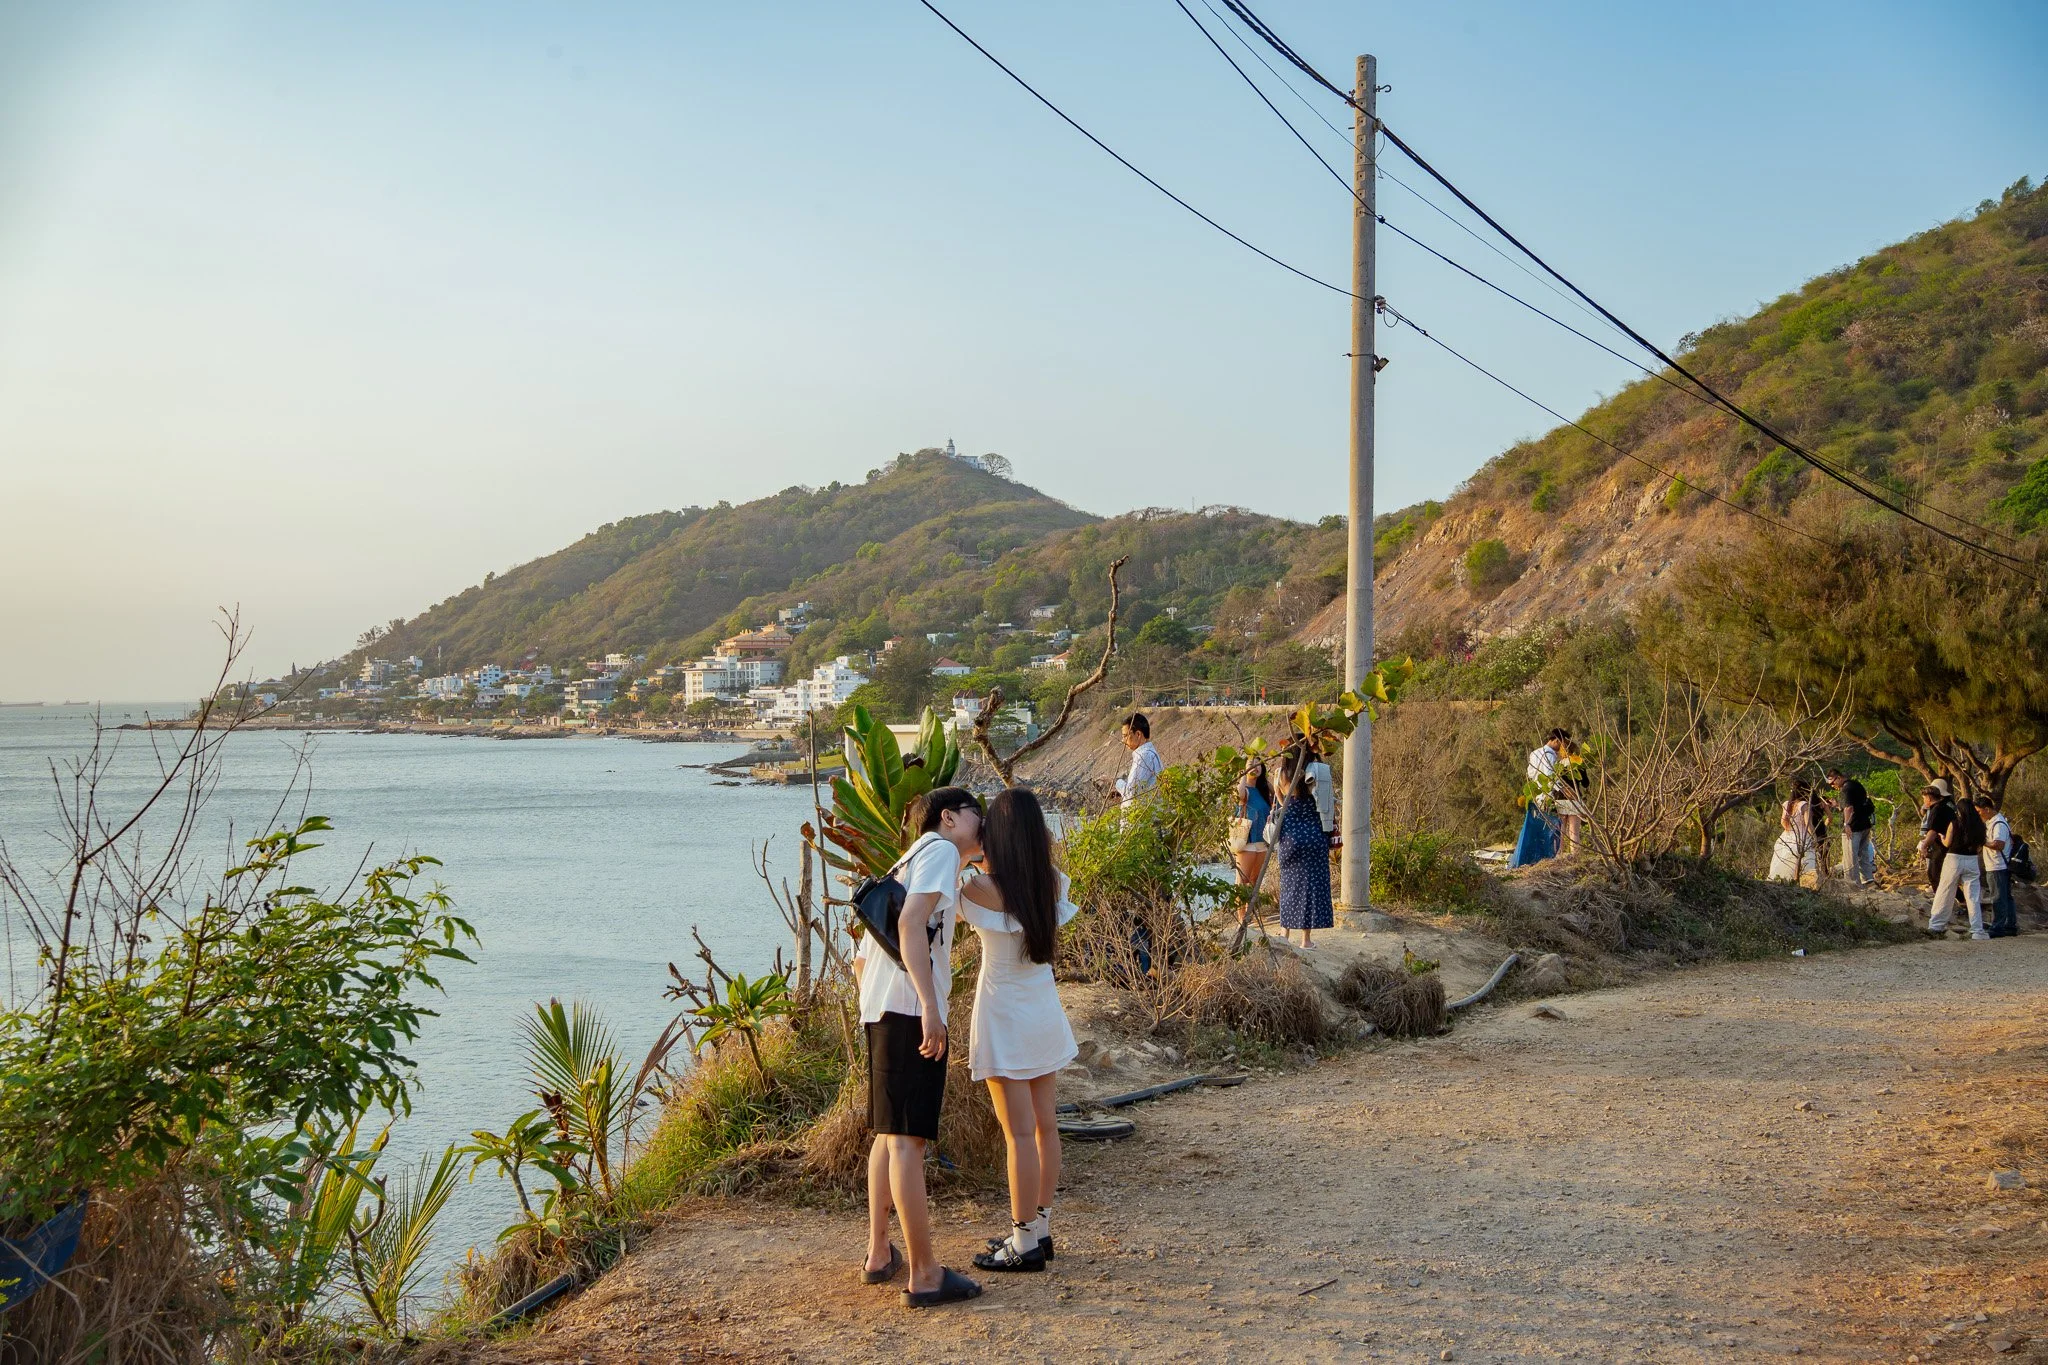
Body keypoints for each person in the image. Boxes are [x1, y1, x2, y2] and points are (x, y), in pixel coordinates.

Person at [853, 786, 986, 1307]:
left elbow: (864, 954)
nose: (984, 821)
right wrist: (930, 1006)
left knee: (889, 1136)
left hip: (882, 1006)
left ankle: (879, 1252)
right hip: (909, 1010)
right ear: (949, 818)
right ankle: (926, 1274)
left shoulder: (909, 858)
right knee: (908, 1141)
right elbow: (909, 924)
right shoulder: (941, 851)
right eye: (978, 813)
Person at [957, 788, 1079, 1273]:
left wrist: (972, 848)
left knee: (1018, 1135)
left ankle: (1023, 1241)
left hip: (1003, 1012)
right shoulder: (1050, 881)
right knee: (1045, 1127)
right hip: (1043, 1008)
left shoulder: (978, 890)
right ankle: (1040, 1228)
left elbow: (939, 895)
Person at [1274, 742, 1334, 948]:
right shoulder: (1316, 772)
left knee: (1289, 884)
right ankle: (1306, 940)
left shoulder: (1281, 774)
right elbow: (1324, 802)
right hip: (1314, 834)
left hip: (1290, 834)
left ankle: (1284, 933)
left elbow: (1282, 803)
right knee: (1309, 887)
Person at [1927, 788, 1987, 940]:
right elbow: (1981, 845)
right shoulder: (1980, 826)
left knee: (1945, 890)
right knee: (1973, 896)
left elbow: (1947, 843)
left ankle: (1936, 925)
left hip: (1954, 858)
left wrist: (1941, 837)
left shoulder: (1955, 823)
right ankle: (1977, 930)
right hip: (1972, 859)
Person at [1509, 729, 1567, 869]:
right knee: (1550, 829)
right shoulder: (1550, 755)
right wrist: (1563, 790)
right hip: (1547, 797)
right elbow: (1549, 777)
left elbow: (1530, 774)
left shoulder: (1535, 753)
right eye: (1561, 744)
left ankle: (1530, 860)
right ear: (1556, 740)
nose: (1561, 748)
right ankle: (1547, 860)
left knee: (1536, 829)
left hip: (1535, 797)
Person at [1228, 758, 1274, 929]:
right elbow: (1239, 795)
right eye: (1251, 764)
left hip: (1262, 840)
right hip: (1246, 840)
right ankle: (1241, 917)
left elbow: (1276, 794)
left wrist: (1265, 777)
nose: (1255, 767)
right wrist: (1244, 774)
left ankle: (1251, 913)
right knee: (1242, 879)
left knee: (1255, 880)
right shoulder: (1244, 789)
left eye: (1258, 764)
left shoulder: (1262, 789)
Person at [1976, 794, 2018, 939]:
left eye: (1979, 811)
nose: (1979, 814)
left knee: (1998, 897)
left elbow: (1999, 844)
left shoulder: (1998, 824)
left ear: (1986, 809)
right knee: (2005, 896)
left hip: (1997, 866)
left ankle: (1998, 927)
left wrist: (1982, 841)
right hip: (1998, 865)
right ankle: (2010, 925)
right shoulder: (1995, 822)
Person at [1827, 768, 1876, 887]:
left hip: (1853, 827)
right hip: (1865, 824)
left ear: (1838, 778)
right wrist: (1837, 805)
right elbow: (1852, 805)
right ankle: (1868, 880)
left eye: (1832, 783)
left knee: (1850, 856)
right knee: (1863, 853)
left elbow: (1849, 808)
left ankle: (1852, 884)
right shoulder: (1856, 785)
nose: (1832, 786)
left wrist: (1846, 824)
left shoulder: (1846, 789)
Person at [1767, 779, 1820, 884]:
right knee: (1805, 861)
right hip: (1802, 835)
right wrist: (1815, 838)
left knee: (1784, 861)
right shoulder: (1804, 805)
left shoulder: (1787, 804)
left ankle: (1781, 882)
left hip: (1787, 835)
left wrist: (1790, 830)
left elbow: (1783, 821)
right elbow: (1808, 824)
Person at [1112, 712, 1163, 807]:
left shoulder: (1144, 756)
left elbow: (1131, 793)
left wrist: (1115, 782)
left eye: (1125, 736)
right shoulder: (1147, 754)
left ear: (1138, 734)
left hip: (1144, 819)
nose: (1123, 741)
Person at [1918, 782, 1955, 895]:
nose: (1924, 801)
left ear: (1929, 798)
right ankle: (1960, 900)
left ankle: (1941, 901)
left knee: (1934, 875)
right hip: (1950, 847)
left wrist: (1924, 846)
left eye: (1924, 798)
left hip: (1941, 847)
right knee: (1945, 876)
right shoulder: (1948, 807)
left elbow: (1933, 831)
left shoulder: (1936, 810)